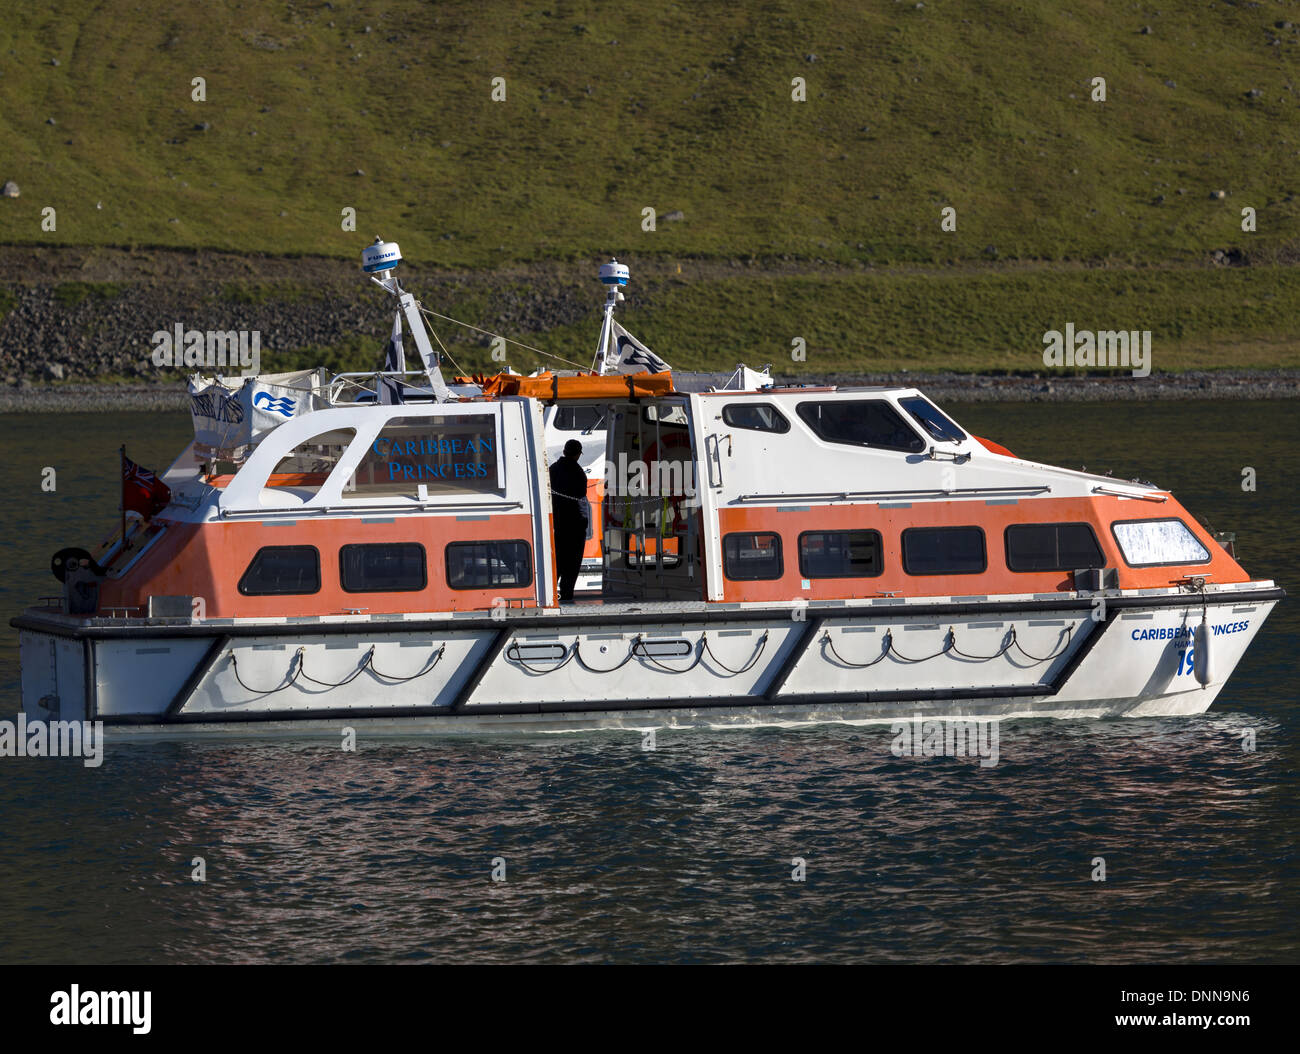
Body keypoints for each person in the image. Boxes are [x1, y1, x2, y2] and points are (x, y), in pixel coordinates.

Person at [550, 439, 589, 604]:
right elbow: (581, 501)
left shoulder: (552, 469)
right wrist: (584, 522)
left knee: (557, 561)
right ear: (578, 454)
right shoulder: (579, 473)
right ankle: (566, 595)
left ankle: (551, 594)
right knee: (572, 565)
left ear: (565, 451)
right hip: (574, 526)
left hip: (557, 525)